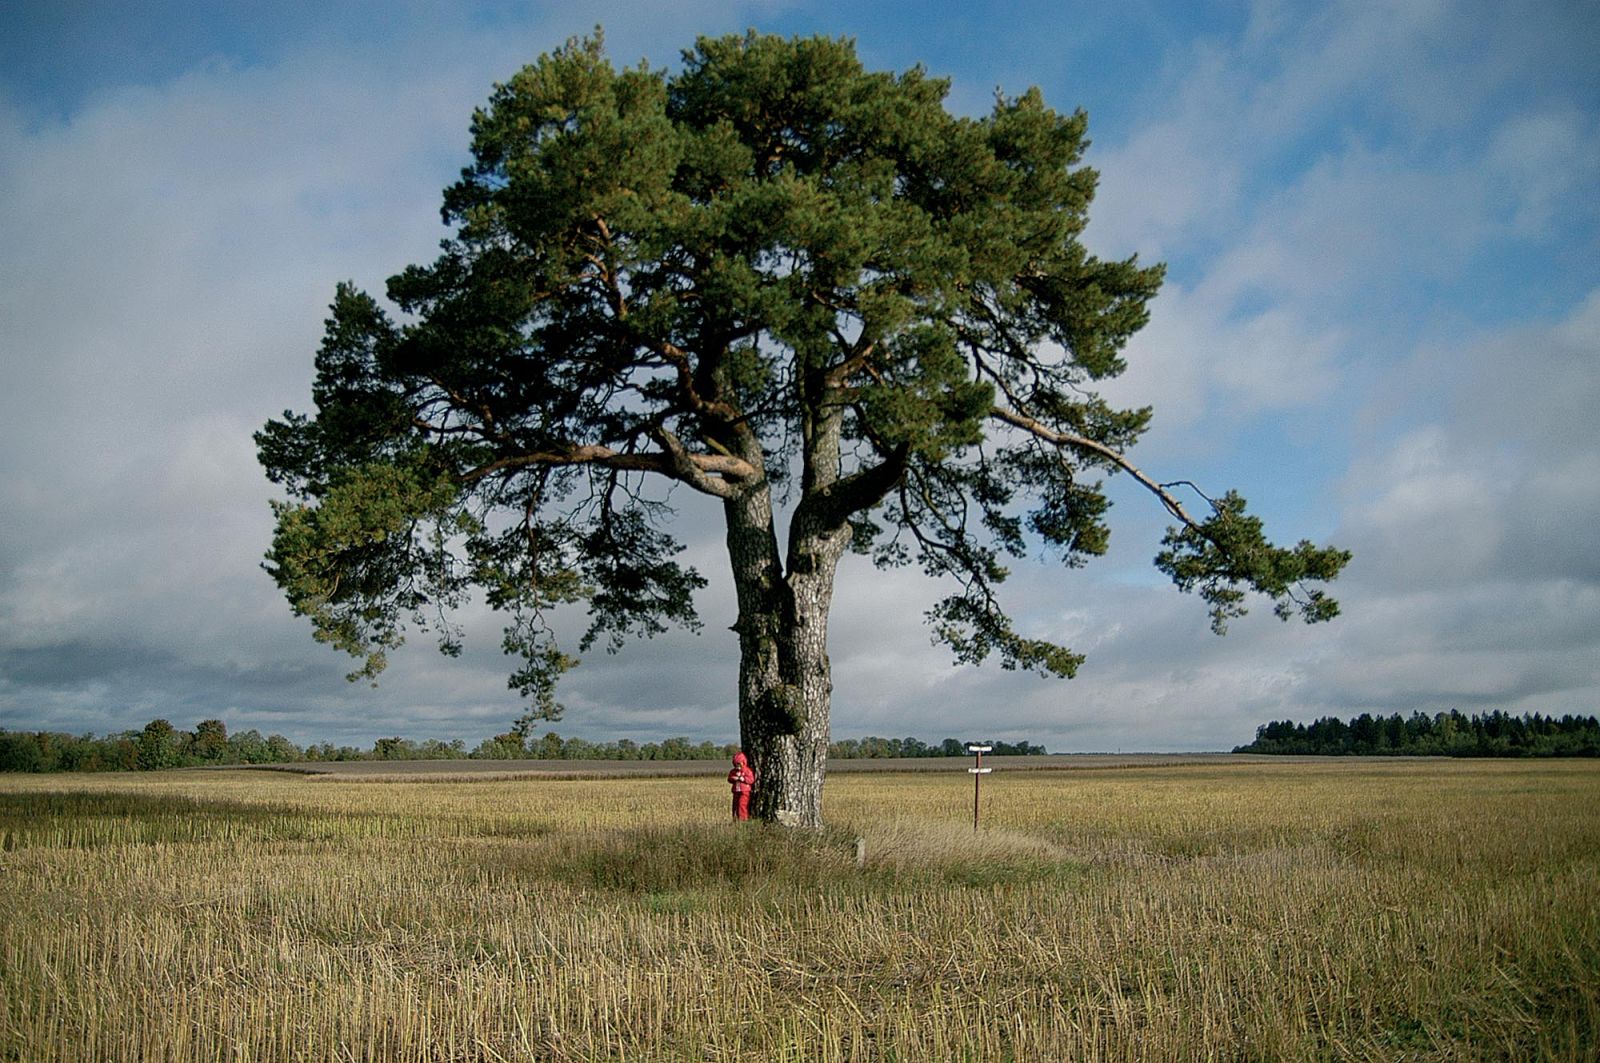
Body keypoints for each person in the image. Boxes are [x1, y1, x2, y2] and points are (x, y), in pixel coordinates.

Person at [727, 750, 755, 821]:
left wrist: (743, 779)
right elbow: (729, 779)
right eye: (736, 765)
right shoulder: (733, 771)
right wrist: (734, 778)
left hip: (744, 791)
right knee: (735, 805)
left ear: (743, 763)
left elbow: (751, 780)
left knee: (742, 805)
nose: (738, 767)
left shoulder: (747, 771)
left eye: (739, 765)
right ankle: (735, 818)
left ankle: (743, 819)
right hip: (736, 791)